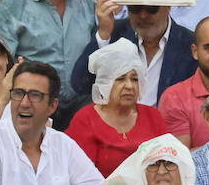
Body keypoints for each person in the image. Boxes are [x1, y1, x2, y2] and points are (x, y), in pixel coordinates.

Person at [70, 0, 197, 110]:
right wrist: (103, 36)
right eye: (135, 8)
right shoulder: (114, 32)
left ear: (167, 6)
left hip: (165, 132)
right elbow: (80, 85)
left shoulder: (188, 44)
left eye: (151, 8)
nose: (143, 15)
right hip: (116, 128)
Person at [66, 40, 167, 176]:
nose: (129, 86)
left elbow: (166, 163)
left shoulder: (153, 116)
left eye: (135, 79)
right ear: (105, 83)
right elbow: (81, 177)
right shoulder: (86, 119)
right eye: (120, 79)